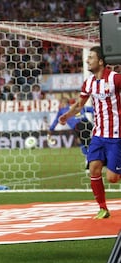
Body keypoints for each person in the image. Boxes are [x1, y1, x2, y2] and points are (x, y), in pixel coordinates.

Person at [59, 46, 121, 219]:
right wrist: (67, 115)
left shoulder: (115, 79)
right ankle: (103, 208)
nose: (87, 60)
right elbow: (79, 104)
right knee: (94, 169)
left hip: (116, 135)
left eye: (91, 58)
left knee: (113, 178)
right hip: (98, 134)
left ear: (100, 61)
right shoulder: (89, 82)